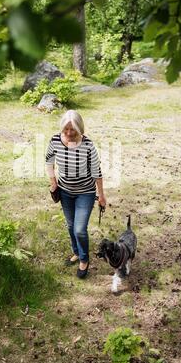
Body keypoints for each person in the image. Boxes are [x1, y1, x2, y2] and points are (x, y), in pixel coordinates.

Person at [45, 110, 106, 278]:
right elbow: (49, 161)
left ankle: (84, 260)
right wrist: (53, 183)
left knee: (79, 229)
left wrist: (101, 195)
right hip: (65, 191)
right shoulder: (55, 140)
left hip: (85, 192)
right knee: (71, 226)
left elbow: (96, 172)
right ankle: (77, 252)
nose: (69, 133)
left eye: (73, 130)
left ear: (80, 128)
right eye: (66, 130)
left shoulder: (88, 145)